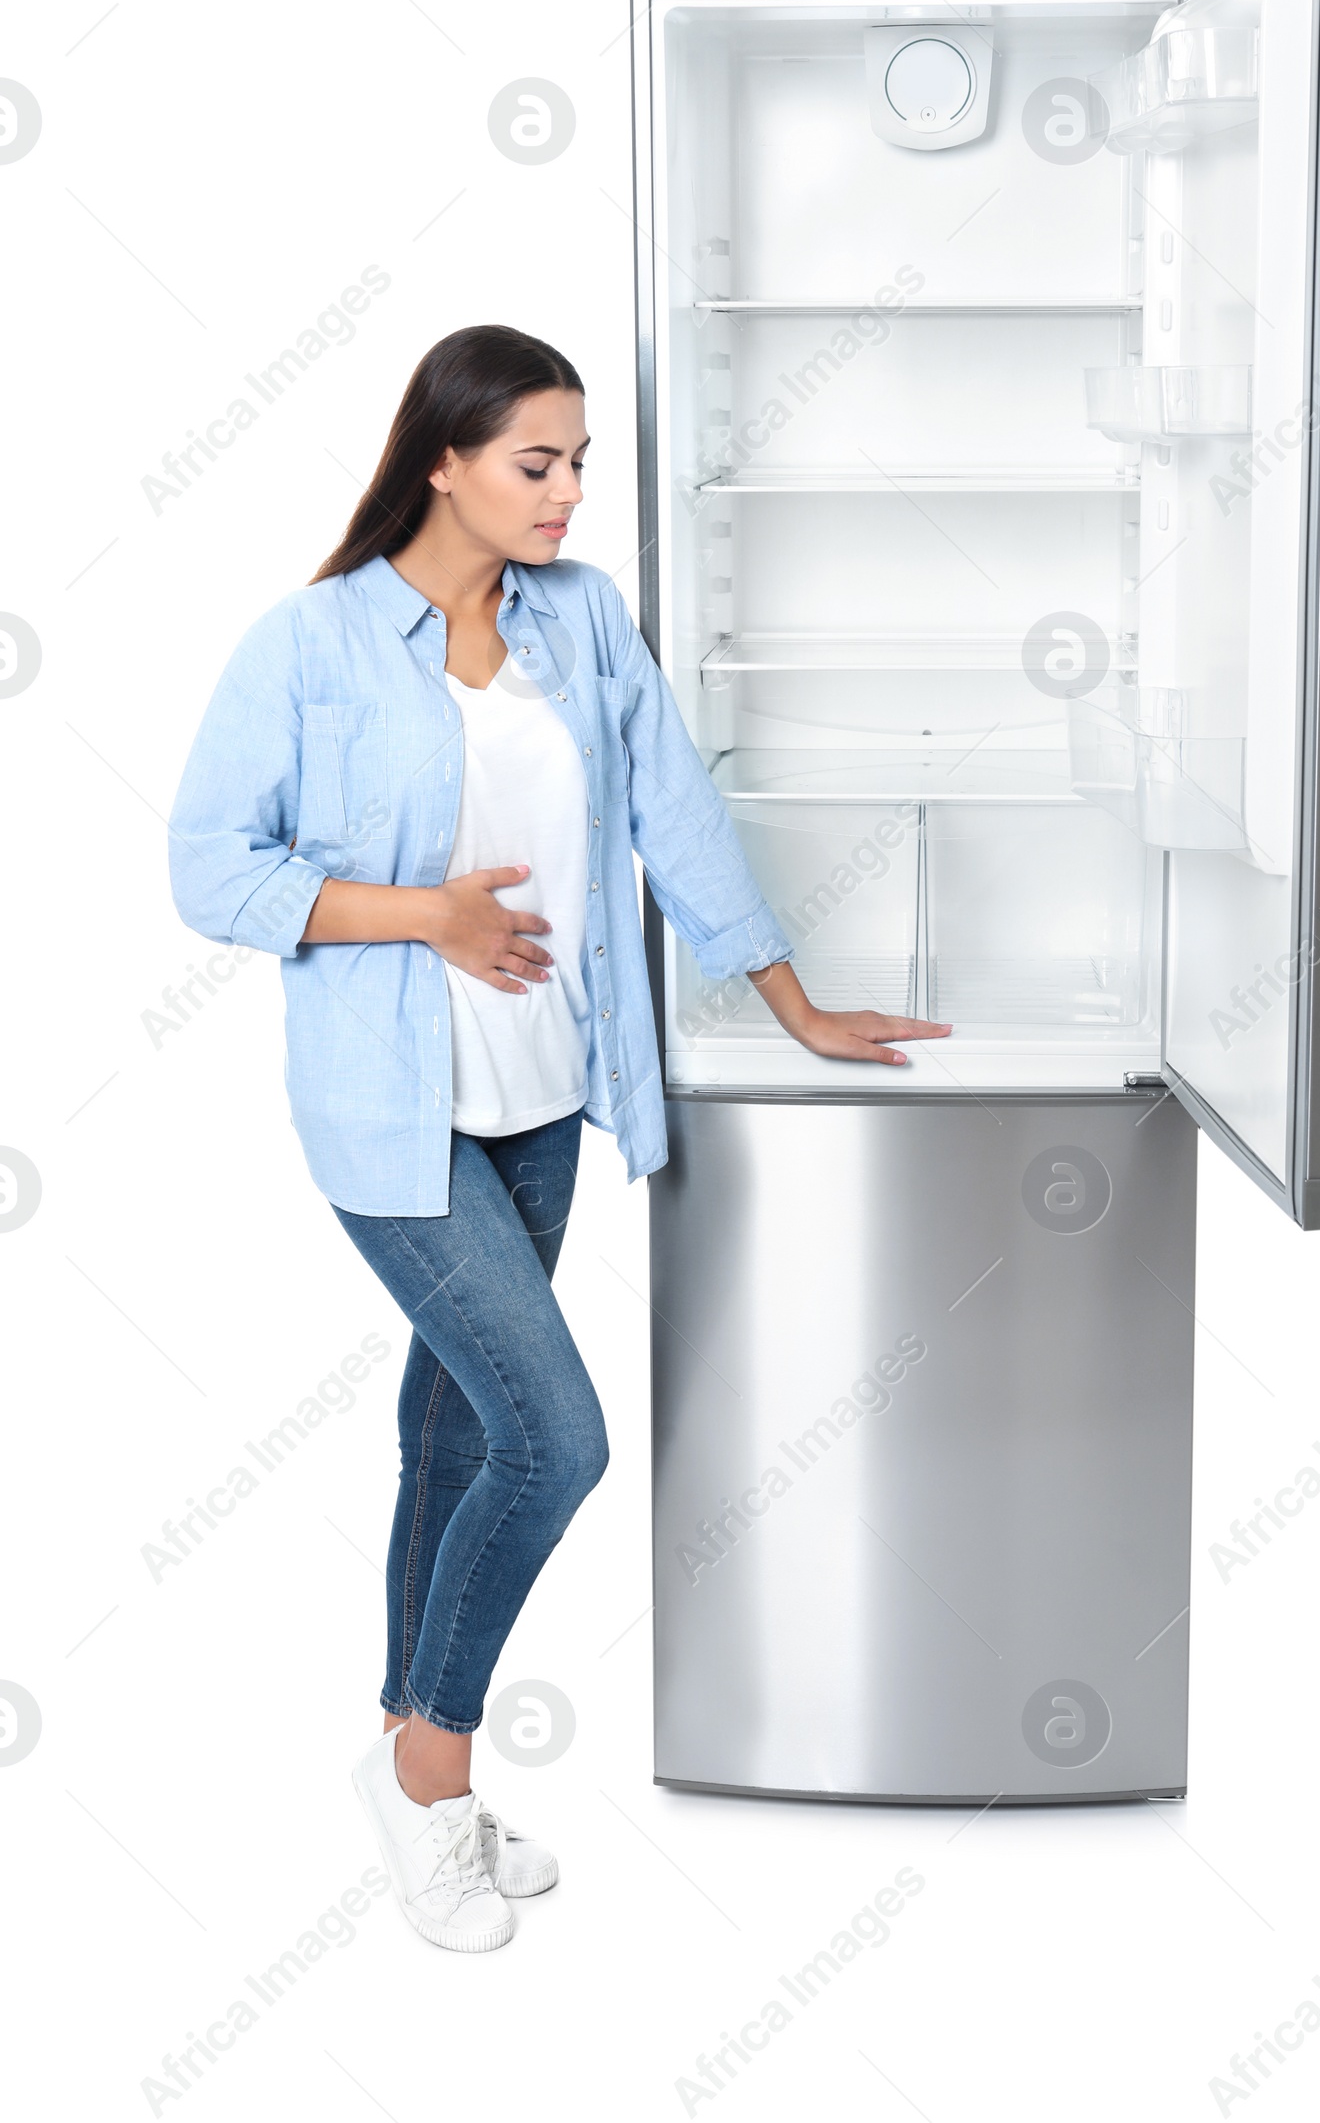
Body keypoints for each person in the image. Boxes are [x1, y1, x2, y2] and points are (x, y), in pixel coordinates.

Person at [168, 323, 949, 1953]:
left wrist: (795, 1004)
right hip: (396, 1124)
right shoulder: (310, 645)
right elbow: (208, 869)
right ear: (441, 459)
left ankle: (406, 1762)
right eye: (539, 461)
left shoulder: (581, 619)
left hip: (538, 1108)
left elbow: (673, 806)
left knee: (458, 1439)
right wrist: (423, 919)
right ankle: (431, 1783)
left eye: (582, 461)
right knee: (559, 1442)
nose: (571, 492)